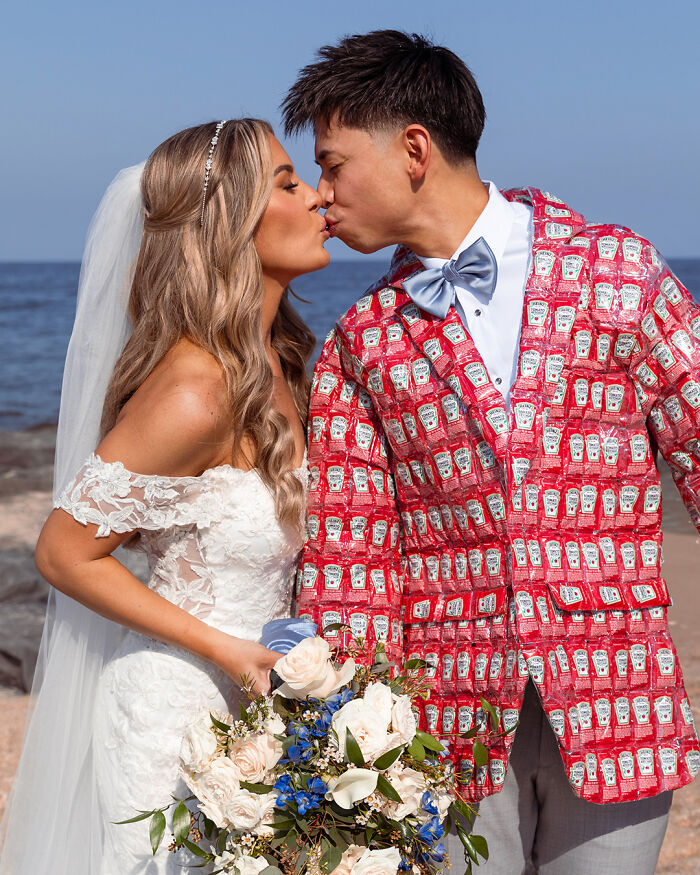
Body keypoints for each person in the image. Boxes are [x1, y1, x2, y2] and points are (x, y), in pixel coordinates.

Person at [284, 30, 700, 875]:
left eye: (332, 164)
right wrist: (352, 744)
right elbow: (350, 560)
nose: (321, 194)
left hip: (618, 696)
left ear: (414, 150)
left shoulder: (616, 270)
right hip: (447, 725)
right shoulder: (361, 342)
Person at [0, 118, 329, 874]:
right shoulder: (194, 390)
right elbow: (63, 552)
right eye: (288, 183)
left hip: (257, 709)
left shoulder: (280, 364)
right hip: (174, 717)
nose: (317, 196)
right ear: (230, 221)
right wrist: (225, 649)